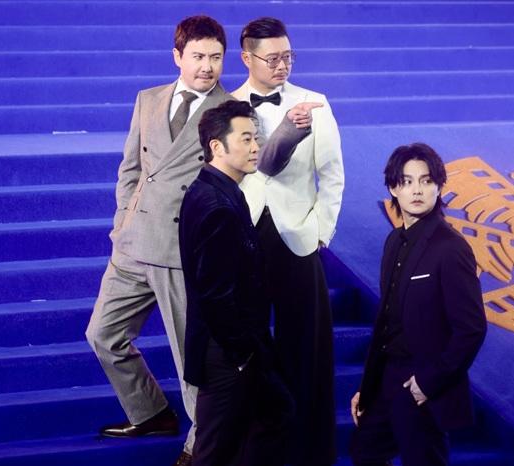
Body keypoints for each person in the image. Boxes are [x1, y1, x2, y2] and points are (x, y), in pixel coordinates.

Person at [85, 15, 317, 466]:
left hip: (181, 251)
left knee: (191, 360)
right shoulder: (148, 99)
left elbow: (264, 159)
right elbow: (131, 168)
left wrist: (292, 130)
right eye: (198, 56)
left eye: (215, 57)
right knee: (102, 335)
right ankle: (149, 411)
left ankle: (199, 446)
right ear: (177, 56)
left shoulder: (231, 108)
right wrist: (122, 222)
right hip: (133, 244)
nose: (207, 66)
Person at [231, 17, 345, 466]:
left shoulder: (314, 102)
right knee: (249, 348)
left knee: (308, 349)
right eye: (272, 58)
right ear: (247, 58)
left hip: (298, 237)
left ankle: (312, 454)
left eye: (288, 57)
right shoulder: (226, 104)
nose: (282, 66)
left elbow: (331, 174)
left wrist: (320, 232)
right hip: (244, 238)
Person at [180, 100, 311, 466]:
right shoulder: (217, 205)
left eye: (256, 138)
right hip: (228, 353)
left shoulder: (221, 190)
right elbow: (215, 294)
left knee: (276, 413)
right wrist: (241, 354)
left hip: (241, 348)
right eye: (246, 139)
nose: (256, 147)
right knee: (214, 451)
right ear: (217, 146)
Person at [350, 143, 487, 466]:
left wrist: (427, 383)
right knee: (364, 451)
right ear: (393, 188)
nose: (417, 190)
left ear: (439, 187)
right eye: (407, 181)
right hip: (387, 375)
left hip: (422, 380)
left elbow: (471, 328)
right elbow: (386, 322)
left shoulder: (451, 247)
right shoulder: (393, 241)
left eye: (426, 181)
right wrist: (368, 387)